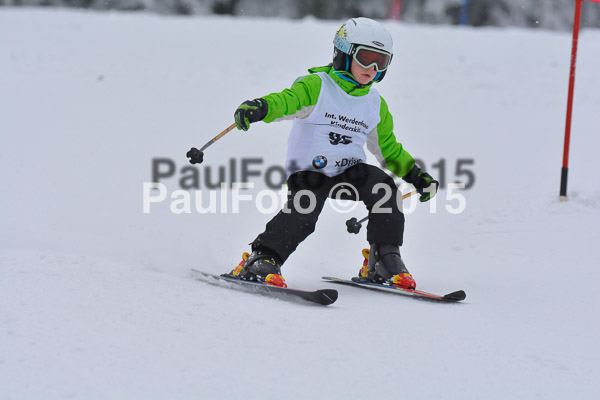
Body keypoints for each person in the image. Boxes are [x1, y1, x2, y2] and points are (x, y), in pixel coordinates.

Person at [225, 17, 439, 289]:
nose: (372, 68)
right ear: (343, 52)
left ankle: (384, 260)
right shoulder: (317, 86)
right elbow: (287, 101)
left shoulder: (374, 103)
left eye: (381, 62)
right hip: (310, 173)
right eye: (365, 58)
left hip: (350, 172)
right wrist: (261, 107)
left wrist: (417, 177)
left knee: (384, 189)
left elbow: (388, 148)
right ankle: (263, 258)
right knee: (304, 210)